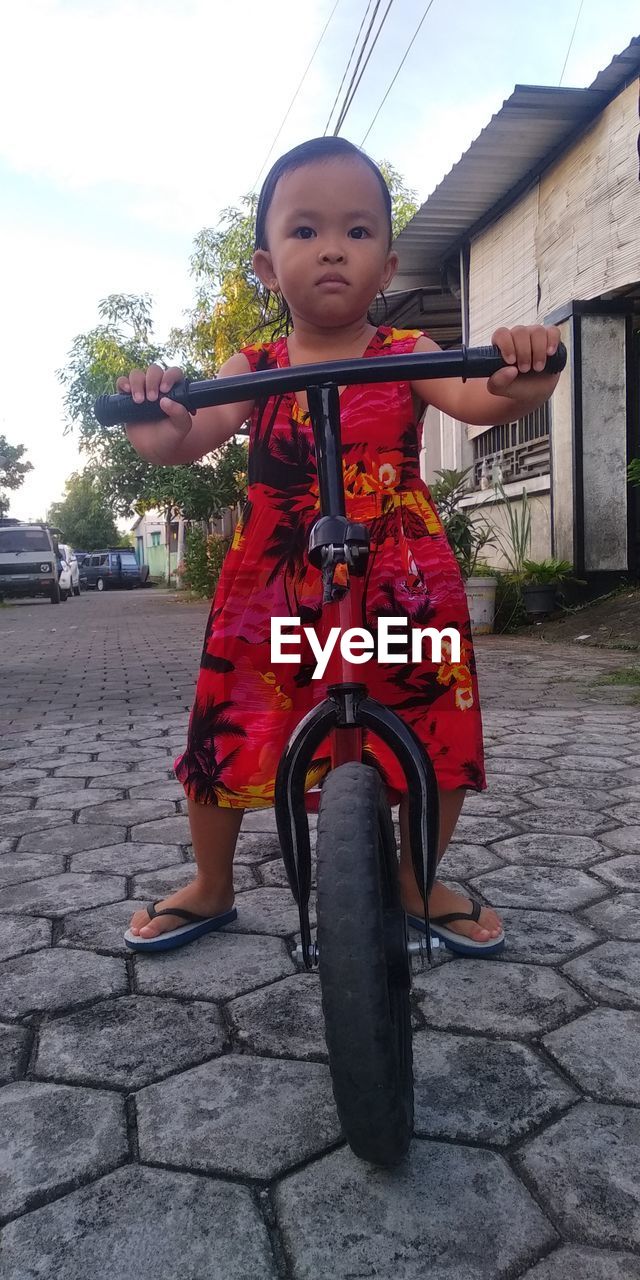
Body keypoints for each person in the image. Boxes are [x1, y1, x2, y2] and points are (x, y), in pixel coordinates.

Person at [122, 136, 561, 956]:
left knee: (433, 716)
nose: (332, 247)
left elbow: (483, 398)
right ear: (264, 266)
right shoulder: (251, 364)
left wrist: (520, 380)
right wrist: (158, 414)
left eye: (358, 233)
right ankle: (213, 884)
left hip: (400, 576)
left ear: (388, 266)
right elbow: (187, 437)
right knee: (230, 716)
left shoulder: (409, 354)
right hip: (274, 578)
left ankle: (415, 879)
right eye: (306, 231)